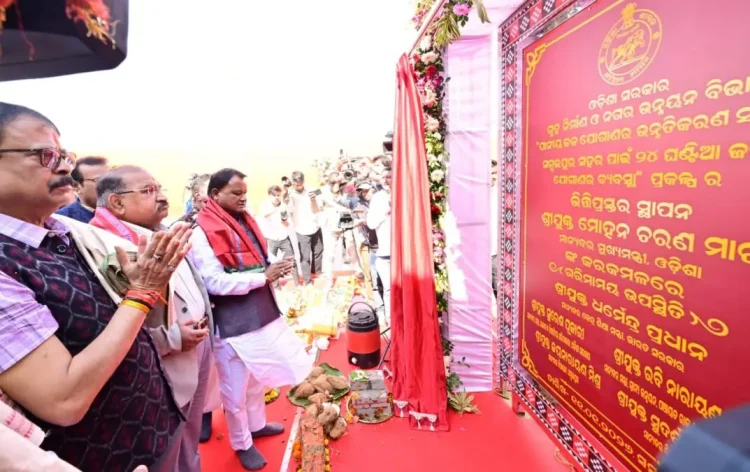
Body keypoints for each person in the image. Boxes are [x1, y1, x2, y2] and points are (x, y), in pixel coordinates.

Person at [0, 102, 189, 471]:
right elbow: (63, 399)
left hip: (155, 427)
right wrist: (141, 293)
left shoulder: (64, 233)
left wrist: (141, 285)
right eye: (45, 155)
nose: (65, 168)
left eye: (64, 155)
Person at [88, 165, 214, 472]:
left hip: (194, 349)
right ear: (117, 203)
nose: (160, 197)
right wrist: (171, 340)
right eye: (148, 191)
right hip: (163, 365)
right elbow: (110, 328)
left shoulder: (160, 232)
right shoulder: (103, 248)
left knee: (189, 439)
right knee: (167, 451)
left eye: (159, 189)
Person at [190, 168, 313, 470]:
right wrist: (263, 277)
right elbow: (213, 282)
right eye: (236, 193)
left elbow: (259, 261)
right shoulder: (202, 232)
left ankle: (257, 426)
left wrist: (275, 267)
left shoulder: (245, 221)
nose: (243, 198)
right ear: (215, 194)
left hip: (261, 315)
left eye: (245, 192)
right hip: (231, 325)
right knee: (234, 392)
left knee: (257, 381)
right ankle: (242, 443)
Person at [287, 170, 324, 285]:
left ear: (303, 181)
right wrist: (288, 199)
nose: (298, 186)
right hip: (301, 230)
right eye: (296, 184)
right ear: (293, 182)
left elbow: (317, 209)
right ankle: (307, 281)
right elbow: (289, 212)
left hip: (315, 226)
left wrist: (313, 200)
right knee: (305, 257)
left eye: (300, 183)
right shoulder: (289, 195)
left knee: (318, 251)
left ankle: (316, 274)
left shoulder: (312, 191)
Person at [367, 167, 392, 326]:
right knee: (389, 289)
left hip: (404, 253)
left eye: (389, 176)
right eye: (383, 177)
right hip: (384, 252)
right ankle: (391, 321)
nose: (386, 180)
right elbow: (371, 223)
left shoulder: (404, 194)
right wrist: (386, 211)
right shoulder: (377, 198)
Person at [352, 181, 383, 310]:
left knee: (380, 274)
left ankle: (383, 300)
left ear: (373, 189)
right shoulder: (357, 205)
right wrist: (356, 222)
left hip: (382, 243)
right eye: (362, 191)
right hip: (366, 243)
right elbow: (347, 221)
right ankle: (371, 301)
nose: (365, 193)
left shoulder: (381, 202)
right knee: (368, 272)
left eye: (367, 190)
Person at [259, 185, 298, 286]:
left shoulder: (283, 206)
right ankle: (275, 286)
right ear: (269, 196)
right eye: (274, 195)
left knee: (291, 261)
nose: (276, 197)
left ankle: (297, 284)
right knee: (272, 264)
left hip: (284, 238)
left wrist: (286, 222)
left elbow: (287, 223)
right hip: (271, 239)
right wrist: (275, 210)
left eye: (278, 195)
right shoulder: (265, 205)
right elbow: (264, 214)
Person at [55, 156, 108, 222]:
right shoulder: (62, 220)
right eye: (99, 180)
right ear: (77, 187)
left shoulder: (118, 212)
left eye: (110, 179)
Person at [490, 160, 498, 298]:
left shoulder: (502, 194)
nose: (493, 177)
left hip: (496, 253)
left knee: (498, 288)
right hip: (479, 253)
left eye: (495, 173)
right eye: (490, 173)